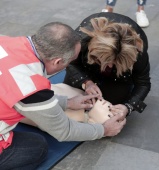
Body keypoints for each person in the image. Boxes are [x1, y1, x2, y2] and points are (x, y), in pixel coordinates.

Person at [0, 22, 127, 169]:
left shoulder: (5, 40)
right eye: (71, 61)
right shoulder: (31, 87)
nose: (106, 104)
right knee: (37, 147)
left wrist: (67, 102)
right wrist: (104, 130)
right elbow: (64, 131)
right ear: (58, 61)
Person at [64, 12, 151, 118]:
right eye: (104, 60)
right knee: (68, 96)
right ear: (93, 50)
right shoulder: (81, 39)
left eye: (115, 62)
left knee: (113, 103)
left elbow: (143, 83)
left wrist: (128, 107)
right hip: (86, 66)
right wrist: (86, 82)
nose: (109, 66)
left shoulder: (137, 51)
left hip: (119, 77)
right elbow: (69, 62)